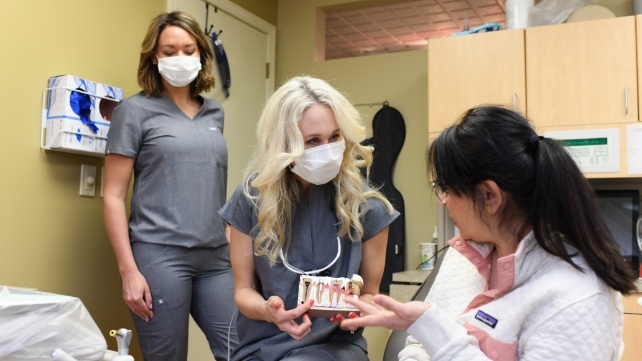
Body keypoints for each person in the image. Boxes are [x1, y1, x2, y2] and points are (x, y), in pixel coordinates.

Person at [342, 105, 638, 360]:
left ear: (490, 196)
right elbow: (418, 346)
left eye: (446, 189)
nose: (444, 202)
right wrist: (424, 329)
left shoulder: (577, 298)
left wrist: (432, 326)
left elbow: (436, 334)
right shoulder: (465, 256)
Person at [218, 76, 400, 361]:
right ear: (284, 144)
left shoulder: (368, 208)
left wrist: (357, 312)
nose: (327, 151)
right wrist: (269, 311)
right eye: (313, 141)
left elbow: (370, 294)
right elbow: (243, 291)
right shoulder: (252, 199)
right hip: (263, 342)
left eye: (335, 137)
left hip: (334, 347)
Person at [102, 11, 238, 361]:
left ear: (201, 55)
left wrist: (226, 235)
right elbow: (114, 195)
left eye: (189, 49)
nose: (181, 58)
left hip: (215, 258)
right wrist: (128, 271)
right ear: (155, 57)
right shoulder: (133, 111)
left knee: (244, 350)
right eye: (170, 50)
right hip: (159, 256)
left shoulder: (214, 113)